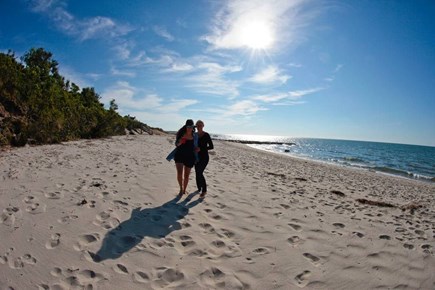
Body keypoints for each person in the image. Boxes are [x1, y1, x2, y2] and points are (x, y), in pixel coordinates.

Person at [174, 119, 198, 196]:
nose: (190, 128)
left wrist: (198, 149)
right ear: (186, 126)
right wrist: (180, 142)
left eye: (191, 126)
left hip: (190, 156)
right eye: (188, 126)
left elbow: (196, 146)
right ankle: (181, 188)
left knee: (186, 175)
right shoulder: (181, 133)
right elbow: (176, 144)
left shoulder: (195, 136)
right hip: (179, 155)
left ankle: (184, 189)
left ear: (193, 127)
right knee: (180, 173)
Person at [194, 120, 214, 198]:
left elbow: (211, 146)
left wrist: (201, 149)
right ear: (196, 126)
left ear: (203, 126)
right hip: (196, 156)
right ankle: (199, 188)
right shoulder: (194, 135)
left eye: (200, 125)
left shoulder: (206, 135)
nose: (199, 127)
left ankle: (204, 190)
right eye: (198, 125)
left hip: (204, 157)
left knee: (199, 172)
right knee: (197, 172)